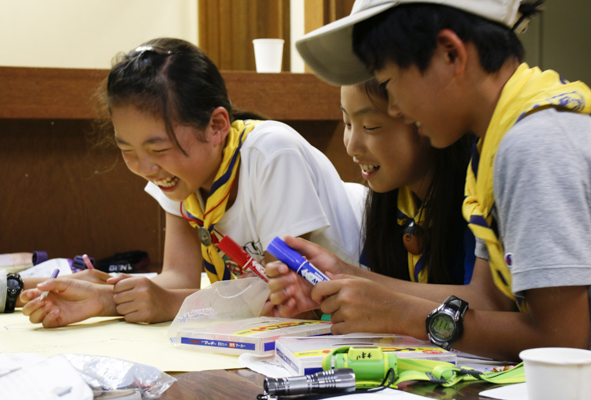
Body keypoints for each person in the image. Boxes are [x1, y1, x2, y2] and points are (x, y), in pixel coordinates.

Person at [269, 0, 591, 361]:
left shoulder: (534, 144)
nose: (394, 108)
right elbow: (489, 300)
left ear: (449, 54)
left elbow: (563, 342)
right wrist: (346, 276)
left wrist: (402, 315)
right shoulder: (498, 143)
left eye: (389, 82)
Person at [19, 37, 366, 327]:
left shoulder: (271, 153)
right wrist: (110, 296)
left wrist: (163, 305)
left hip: (342, 316)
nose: (145, 168)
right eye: (127, 150)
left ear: (216, 126)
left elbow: (286, 302)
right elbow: (177, 279)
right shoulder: (181, 175)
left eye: (159, 148)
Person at [269, 78, 485, 318]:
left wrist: (364, 288)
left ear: (425, 118)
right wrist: (341, 279)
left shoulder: (478, 191)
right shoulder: (392, 200)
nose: (351, 147)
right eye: (347, 123)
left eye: (370, 126)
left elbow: (484, 309)